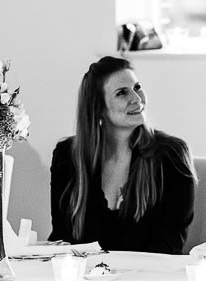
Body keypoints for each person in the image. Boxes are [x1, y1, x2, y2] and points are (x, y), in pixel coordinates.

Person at [49, 56, 195, 254]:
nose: (136, 98)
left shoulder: (171, 155)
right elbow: (62, 238)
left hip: (149, 280)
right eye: (122, 93)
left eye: (137, 87)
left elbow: (169, 244)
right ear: (98, 108)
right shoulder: (68, 156)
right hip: (84, 279)